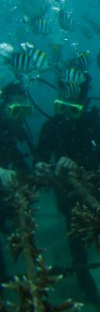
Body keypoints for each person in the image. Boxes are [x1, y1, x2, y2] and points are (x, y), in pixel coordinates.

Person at [34, 75, 100, 306]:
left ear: (85, 98)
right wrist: (40, 165)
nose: (67, 108)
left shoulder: (97, 125)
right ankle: (91, 294)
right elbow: (40, 155)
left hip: (97, 195)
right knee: (77, 247)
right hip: (68, 199)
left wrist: (78, 166)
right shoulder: (51, 125)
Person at [0, 82, 34, 297]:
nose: (20, 115)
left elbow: (24, 164)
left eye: (25, 110)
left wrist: (37, 168)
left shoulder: (18, 132)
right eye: (15, 110)